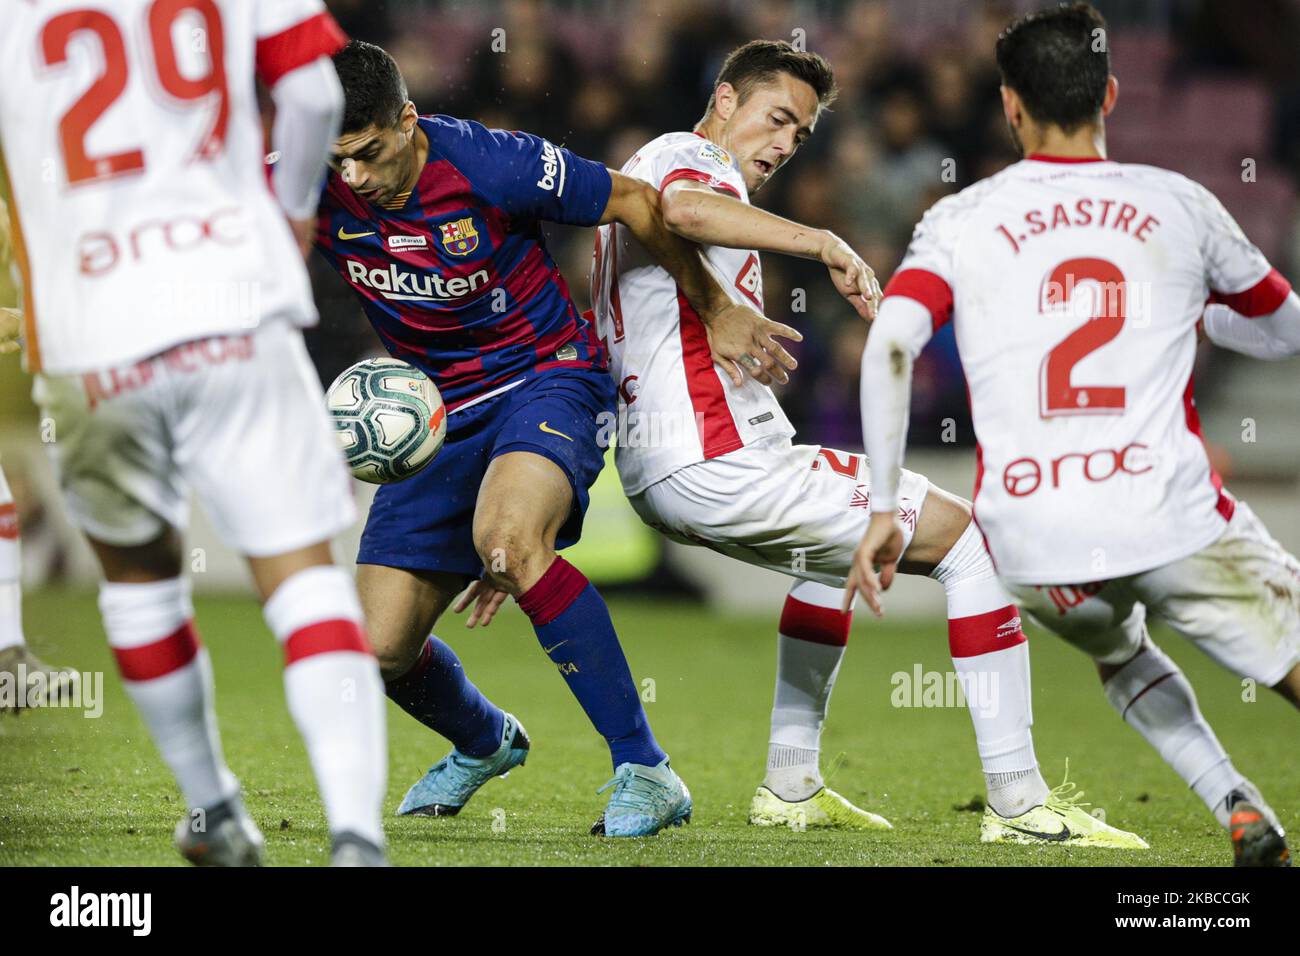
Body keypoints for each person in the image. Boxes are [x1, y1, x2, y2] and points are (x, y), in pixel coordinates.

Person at [848, 2, 1297, 866]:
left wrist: (881, 504)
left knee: (1120, 652)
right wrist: (1201, 318)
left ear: (1011, 106)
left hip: (1035, 544)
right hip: (1168, 516)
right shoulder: (1179, 204)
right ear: (1112, 96)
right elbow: (1287, 329)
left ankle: (1237, 803)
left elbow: (892, 343)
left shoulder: (959, 219)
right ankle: (1239, 799)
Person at [314, 40, 793, 836]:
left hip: (547, 374)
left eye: (368, 153)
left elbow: (639, 201)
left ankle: (646, 767)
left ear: (406, 120)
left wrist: (715, 306)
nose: (354, 178)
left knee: (507, 539)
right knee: (378, 650)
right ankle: (485, 740)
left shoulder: (490, 163)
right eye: (338, 162)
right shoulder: (301, 177)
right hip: (436, 415)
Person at [1, 0, 388, 866]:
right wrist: (289, 219)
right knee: (303, 580)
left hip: (91, 332)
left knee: (140, 582)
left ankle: (216, 811)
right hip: (233, 300)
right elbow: (316, 96)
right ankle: (358, 839)